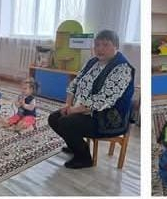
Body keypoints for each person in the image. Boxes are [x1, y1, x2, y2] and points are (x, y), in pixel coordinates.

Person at [47, 29, 135, 169]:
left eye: (105, 45)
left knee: (66, 122)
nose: (100, 49)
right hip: (83, 110)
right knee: (53, 118)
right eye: (97, 45)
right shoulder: (93, 62)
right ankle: (75, 145)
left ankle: (84, 159)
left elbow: (102, 100)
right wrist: (68, 104)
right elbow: (74, 83)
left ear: (116, 46)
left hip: (107, 118)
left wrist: (74, 110)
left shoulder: (122, 69)